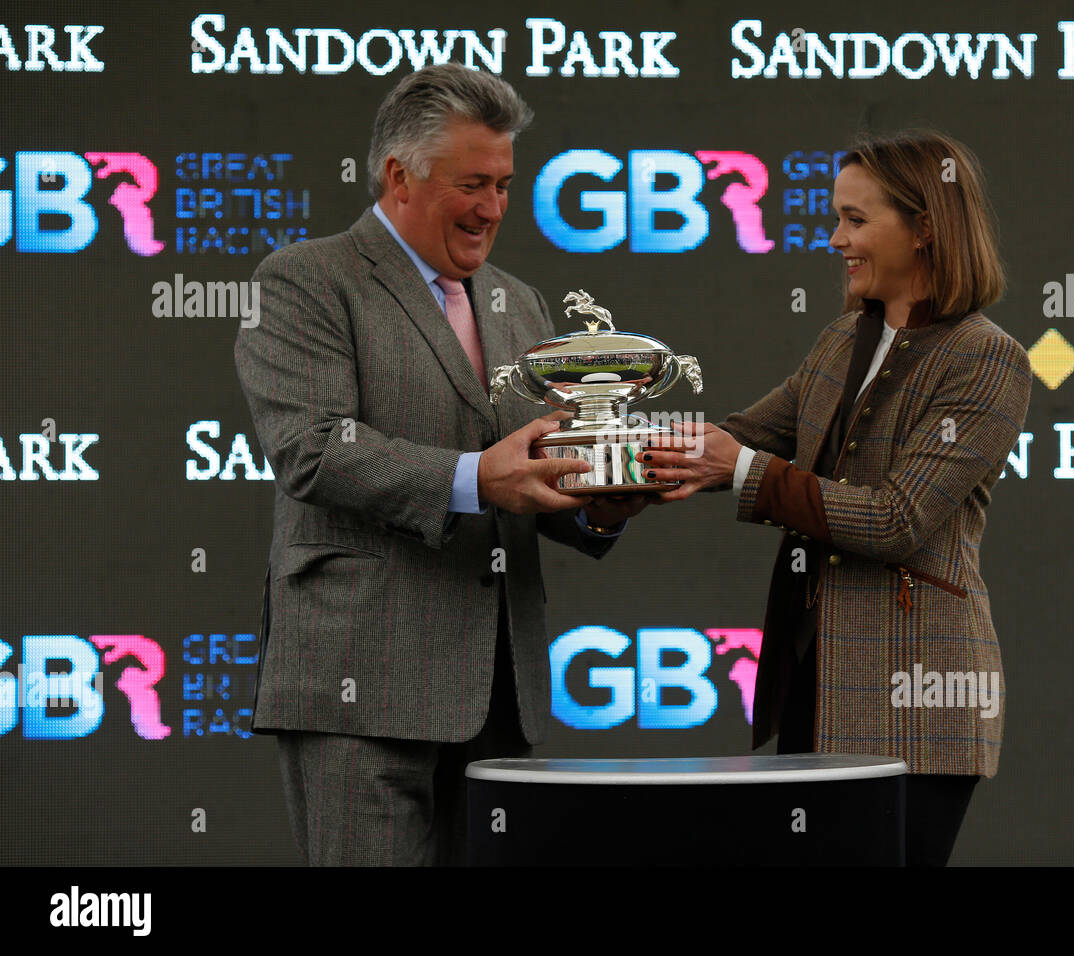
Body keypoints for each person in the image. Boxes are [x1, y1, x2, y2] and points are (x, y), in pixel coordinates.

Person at [233, 64, 648, 866]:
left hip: (501, 693)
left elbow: (533, 466)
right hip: (363, 690)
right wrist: (474, 478)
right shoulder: (303, 281)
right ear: (399, 177)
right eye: (473, 184)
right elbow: (312, 449)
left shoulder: (516, 300)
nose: (493, 207)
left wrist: (600, 499)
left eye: (504, 184)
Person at [638, 130, 1032, 866]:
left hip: (920, 703)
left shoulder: (987, 357)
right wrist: (611, 466)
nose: (833, 239)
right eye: (835, 218)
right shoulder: (841, 339)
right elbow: (738, 435)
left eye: (855, 220)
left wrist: (745, 470)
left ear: (924, 229)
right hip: (813, 686)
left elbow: (896, 519)